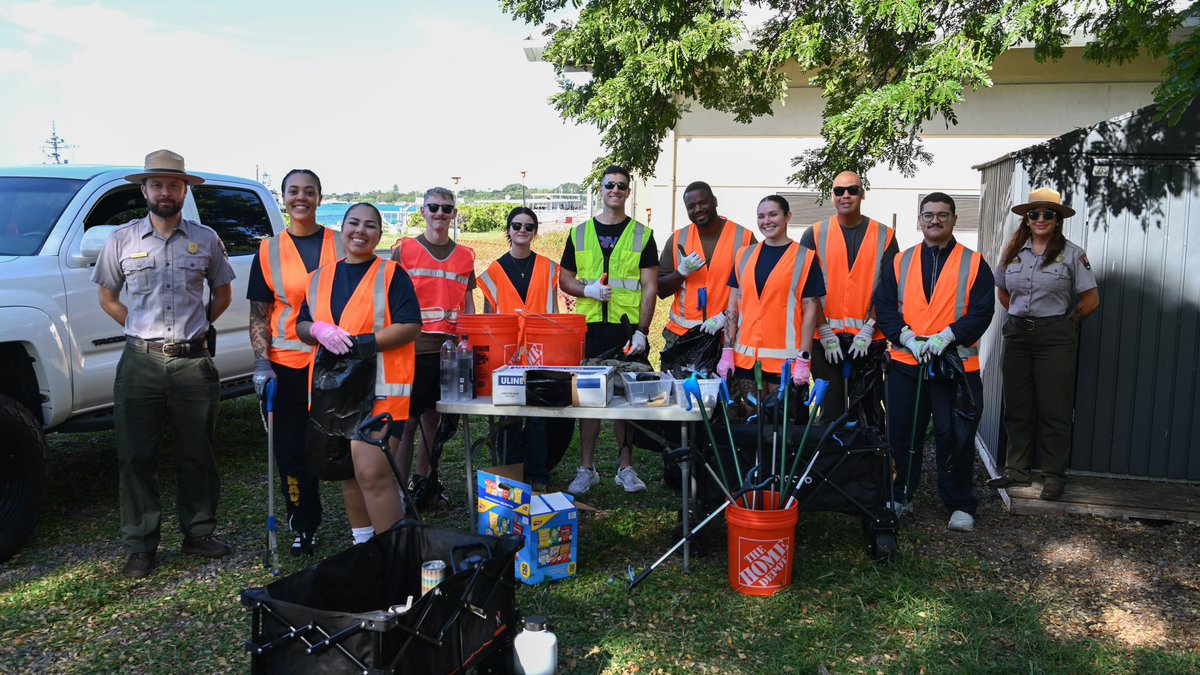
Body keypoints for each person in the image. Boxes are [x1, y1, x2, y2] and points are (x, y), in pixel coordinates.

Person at [91, 149, 236, 579]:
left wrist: (197, 326)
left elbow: (223, 292)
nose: (165, 192)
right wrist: (137, 326)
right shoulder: (121, 241)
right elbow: (107, 297)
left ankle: (198, 532)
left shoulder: (206, 239)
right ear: (145, 191)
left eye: (173, 184)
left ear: (184, 190)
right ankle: (141, 545)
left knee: (198, 452)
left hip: (193, 363)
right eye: (157, 185)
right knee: (136, 455)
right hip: (141, 362)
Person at [247, 169, 376, 553]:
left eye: (309, 191)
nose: (300, 198)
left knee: (347, 444)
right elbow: (259, 313)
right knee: (291, 450)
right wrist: (261, 363)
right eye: (293, 191)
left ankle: (364, 526)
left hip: (339, 364)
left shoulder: (342, 240)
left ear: (320, 198)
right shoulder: (268, 251)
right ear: (283, 197)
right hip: (287, 365)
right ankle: (303, 525)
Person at [296, 203, 422, 534]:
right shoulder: (318, 279)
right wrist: (317, 330)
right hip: (333, 393)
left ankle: (393, 552)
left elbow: (410, 326)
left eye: (370, 226)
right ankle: (365, 547)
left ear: (379, 235)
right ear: (342, 229)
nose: (360, 231)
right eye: (354, 223)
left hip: (380, 392)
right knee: (347, 473)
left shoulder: (392, 274)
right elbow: (301, 325)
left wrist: (363, 344)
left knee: (372, 473)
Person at [874, 192, 995, 532]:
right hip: (906, 364)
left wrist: (948, 336)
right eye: (928, 215)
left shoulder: (974, 263)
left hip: (953, 368)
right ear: (919, 220)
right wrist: (906, 337)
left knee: (955, 435)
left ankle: (960, 504)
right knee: (901, 434)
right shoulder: (901, 261)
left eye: (943, 215)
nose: (935, 220)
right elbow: (884, 306)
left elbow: (983, 310)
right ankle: (900, 494)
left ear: (954, 219)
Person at [987, 188, 1099, 501]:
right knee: (1016, 406)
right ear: (1026, 219)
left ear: (1057, 219)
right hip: (1017, 336)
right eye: (1034, 213)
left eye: (1048, 214)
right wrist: (1021, 317)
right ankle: (1017, 470)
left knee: (1055, 409)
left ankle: (1053, 476)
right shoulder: (1012, 253)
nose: (1040, 218)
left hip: (1055, 339)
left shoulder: (1073, 254)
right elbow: (1003, 291)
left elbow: (1091, 300)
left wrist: (1067, 324)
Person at [559, 165, 659, 495]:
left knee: (625, 398)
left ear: (628, 192)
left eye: (621, 185)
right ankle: (586, 469)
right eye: (609, 185)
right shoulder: (579, 233)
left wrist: (642, 330)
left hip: (625, 329)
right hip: (589, 328)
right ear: (600, 189)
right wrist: (587, 291)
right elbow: (564, 278)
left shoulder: (642, 234)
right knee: (588, 398)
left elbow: (650, 286)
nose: (615, 190)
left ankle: (625, 469)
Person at [391, 188, 476, 507]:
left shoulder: (465, 255)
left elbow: (468, 301)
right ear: (423, 211)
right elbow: (390, 297)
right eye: (434, 207)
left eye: (446, 208)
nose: (440, 213)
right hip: (413, 348)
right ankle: (399, 493)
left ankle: (423, 484)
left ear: (454, 213)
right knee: (407, 422)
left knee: (433, 420)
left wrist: (470, 341)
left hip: (450, 350)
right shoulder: (404, 250)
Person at [478, 207, 571, 491]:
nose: (522, 231)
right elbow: (489, 317)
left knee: (538, 415)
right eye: (516, 225)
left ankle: (538, 474)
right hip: (506, 354)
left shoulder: (549, 268)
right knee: (509, 416)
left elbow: (556, 311)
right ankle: (510, 473)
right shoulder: (494, 271)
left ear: (535, 232)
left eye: (528, 227)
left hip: (540, 352)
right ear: (508, 230)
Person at [800, 172, 899, 423]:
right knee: (831, 410)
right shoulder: (814, 234)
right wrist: (823, 330)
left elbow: (888, 288)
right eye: (839, 191)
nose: (846, 195)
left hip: (867, 340)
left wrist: (869, 328)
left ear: (862, 194)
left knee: (867, 413)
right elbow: (806, 289)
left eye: (853, 190)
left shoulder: (884, 235)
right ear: (832, 196)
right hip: (825, 340)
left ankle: (866, 450)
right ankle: (831, 449)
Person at [715, 195, 824, 403]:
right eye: (761, 216)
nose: (767, 221)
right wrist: (727, 351)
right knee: (752, 418)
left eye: (773, 214)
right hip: (746, 358)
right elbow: (732, 308)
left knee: (781, 421)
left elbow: (810, 311)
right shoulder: (743, 255)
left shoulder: (805, 258)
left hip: (785, 362)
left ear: (787, 216)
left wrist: (804, 357)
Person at [657, 181, 755, 351]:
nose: (698, 209)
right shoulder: (677, 239)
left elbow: (756, 289)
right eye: (691, 206)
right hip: (682, 337)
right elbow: (661, 290)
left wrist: (726, 316)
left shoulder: (744, 238)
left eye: (703, 202)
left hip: (728, 336)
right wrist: (681, 273)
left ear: (715, 201)